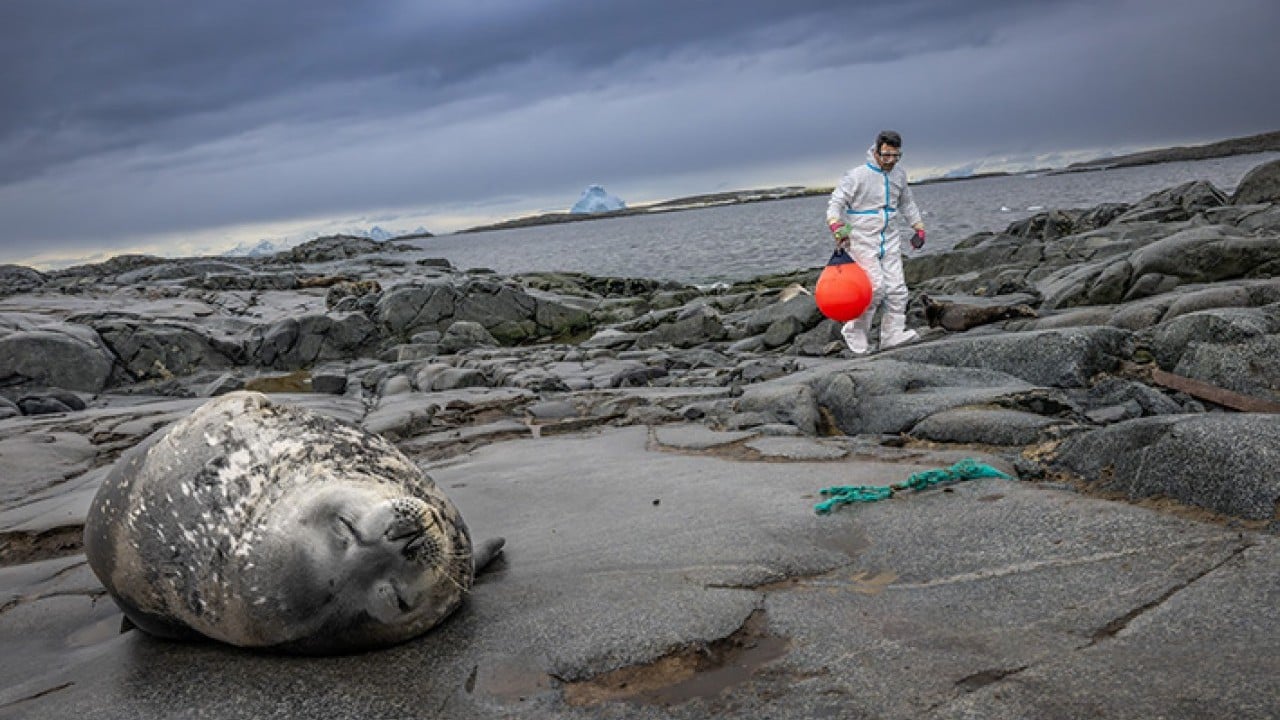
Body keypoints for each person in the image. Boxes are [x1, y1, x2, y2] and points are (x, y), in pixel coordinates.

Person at [825, 130, 927, 354]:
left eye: (895, 156)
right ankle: (854, 330)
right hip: (861, 238)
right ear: (877, 150)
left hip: (889, 237)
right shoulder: (857, 176)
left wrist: (918, 227)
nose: (890, 161)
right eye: (886, 155)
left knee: (897, 289)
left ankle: (892, 334)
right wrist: (836, 224)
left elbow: (907, 203)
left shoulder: (899, 175)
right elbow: (836, 202)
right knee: (874, 288)